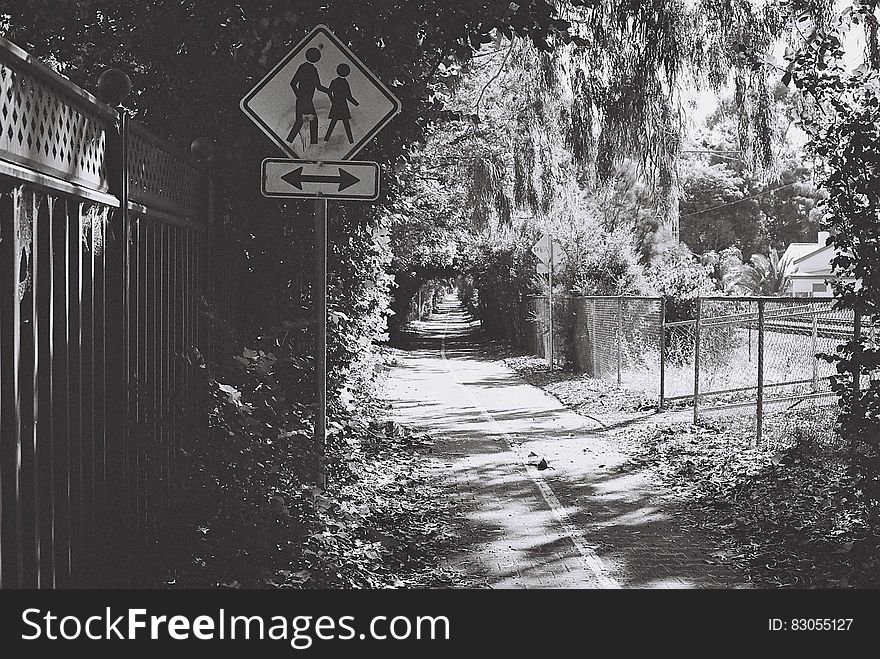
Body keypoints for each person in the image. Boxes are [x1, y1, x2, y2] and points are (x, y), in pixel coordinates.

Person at [286, 47, 328, 145]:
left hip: (303, 100)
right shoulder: (312, 69)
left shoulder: (303, 67)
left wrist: (299, 96)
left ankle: (289, 141)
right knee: (312, 120)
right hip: (306, 101)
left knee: (300, 121)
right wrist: (329, 91)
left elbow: (293, 83)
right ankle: (314, 143)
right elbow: (319, 86)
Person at [324, 63, 359, 144]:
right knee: (345, 123)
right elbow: (349, 96)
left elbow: (329, 92)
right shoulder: (345, 83)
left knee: (334, 122)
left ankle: (326, 139)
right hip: (343, 105)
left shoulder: (334, 81)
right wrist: (356, 104)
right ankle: (351, 141)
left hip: (336, 105)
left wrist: (333, 101)